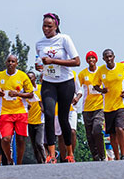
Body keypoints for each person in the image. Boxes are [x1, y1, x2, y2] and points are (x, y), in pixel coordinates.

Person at [35, 13, 81, 163]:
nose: (46, 29)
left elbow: (76, 62)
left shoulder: (64, 39)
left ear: (56, 26)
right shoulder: (39, 44)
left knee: (62, 118)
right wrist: (39, 66)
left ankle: (69, 152)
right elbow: (41, 63)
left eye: (49, 26)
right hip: (48, 82)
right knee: (48, 114)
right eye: (44, 26)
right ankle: (51, 154)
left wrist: (53, 60)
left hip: (65, 82)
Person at [92, 49, 124, 161]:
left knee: (120, 128)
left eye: (110, 56)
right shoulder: (101, 71)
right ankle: (117, 156)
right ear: (103, 59)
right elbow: (95, 85)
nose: (109, 59)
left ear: (114, 56)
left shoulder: (122, 67)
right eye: (106, 57)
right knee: (112, 134)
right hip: (108, 106)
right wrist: (101, 90)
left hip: (121, 104)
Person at [0, 55, 34, 165]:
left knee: (20, 139)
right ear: (6, 63)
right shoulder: (0, 75)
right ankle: (9, 159)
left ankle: (19, 163)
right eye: (9, 61)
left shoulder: (22, 76)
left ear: (16, 63)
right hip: (5, 111)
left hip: (20, 111)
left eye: (13, 61)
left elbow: (30, 94)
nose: (10, 63)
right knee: (6, 139)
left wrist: (18, 94)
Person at [78, 51, 105, 161]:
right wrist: (76, 97)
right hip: (87, 108)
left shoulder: (101, 72)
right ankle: (95, 156)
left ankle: (102, 155)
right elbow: (77, 88)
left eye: (93, 58)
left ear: (96, 59)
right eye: (89, 58)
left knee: (97, 130)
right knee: (89, 135)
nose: (91, 60)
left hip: (99, 107)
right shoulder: (83, 74)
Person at [54, 70, 83, 161]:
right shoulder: (54, 72)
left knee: (72, 131)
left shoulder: (73, 73)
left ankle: (70, 155)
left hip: (71, 109)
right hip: (58, 109)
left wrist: (77, 98)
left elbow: (79, 91)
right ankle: (63, 158)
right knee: (61, 135)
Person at [25, 72, 46, 164]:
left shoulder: (40, 88)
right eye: (28, 78)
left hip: (40, 120)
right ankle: (39, 163)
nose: (29, 79)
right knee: (34, 145)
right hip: (29, 121)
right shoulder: (25, 92)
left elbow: (44, 100)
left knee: (39, 143)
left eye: (31, 77)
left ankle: (46, 160)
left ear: (34, 78)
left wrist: (43, 107)